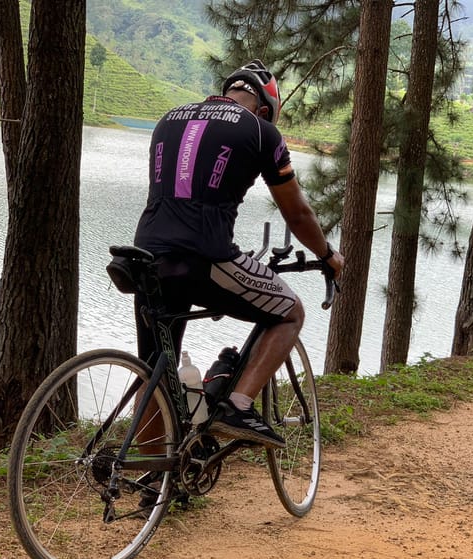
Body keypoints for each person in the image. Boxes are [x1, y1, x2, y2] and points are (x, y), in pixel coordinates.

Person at [133, 59, 344, 449]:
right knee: (289, 311)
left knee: (154, 372)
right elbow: (296, 212)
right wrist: (328, 255)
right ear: (265, 109)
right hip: (206, 256)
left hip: (145, 255)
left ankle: (148, 479)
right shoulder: (261, 131)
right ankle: (238, 405)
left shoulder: (169, 119)